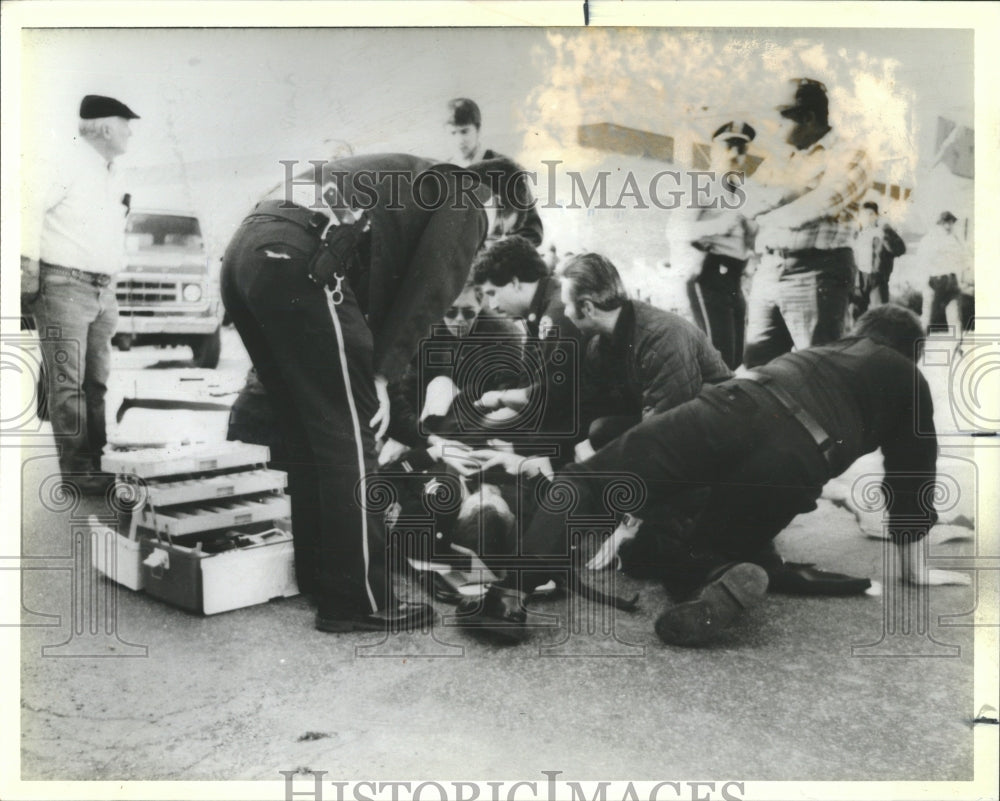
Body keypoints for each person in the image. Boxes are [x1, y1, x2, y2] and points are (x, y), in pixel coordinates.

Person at [458, 305, 969, 645]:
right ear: (913, 350)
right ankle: (711, 577)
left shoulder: (820, 352)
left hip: (735, 403)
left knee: (587, 482)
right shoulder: (908, 377)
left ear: (862, 330)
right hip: (798, 462)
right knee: (708, 548)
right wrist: (915, 569)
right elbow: (912, 480)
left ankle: (508, 598)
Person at [220, 154, 501, 633]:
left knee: (309, 428)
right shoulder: (469, 194)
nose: (485, 240)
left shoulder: (409, 180)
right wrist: (382, 377)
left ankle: (319, 574)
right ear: (502, 203)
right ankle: (357, 600)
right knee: (350, 434)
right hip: (303, 254)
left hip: (247, 252)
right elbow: (431, 287)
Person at [22, 94, 139, 493]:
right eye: (126, 125)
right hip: (64, 286)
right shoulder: (65, 163)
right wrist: (28, 271)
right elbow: (26, 210)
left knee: (96, 382)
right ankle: (77, 472)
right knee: (68, 384)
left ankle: (97, 462)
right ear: (106, 128)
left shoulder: (111, 174)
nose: (130, 133)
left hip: (102, 290)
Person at [743, 78, 872, 368]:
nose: (774, 126)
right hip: (769, 269)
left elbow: (822, 203)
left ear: (809, 118)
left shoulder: (850, 153)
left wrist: (772, 206)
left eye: (782, 117)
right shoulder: (781, 156)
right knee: (757, 369)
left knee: (818, 371)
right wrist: (802, 187)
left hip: (817, 272)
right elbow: (750, 201)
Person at [560, 252, 732, 454]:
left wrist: (592, 466)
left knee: (602, 435)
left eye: (566, 305)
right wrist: (555, 455)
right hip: (676, 420)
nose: (565, 313)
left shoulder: (662, 338)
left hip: (718, 428)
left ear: (588, 308)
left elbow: (665, 430)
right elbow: (588, 409)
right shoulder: (600, 344)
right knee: (600, 430)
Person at [471, 236, 587, 466]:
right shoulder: (542, 308)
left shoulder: (554, 315)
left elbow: (554, 399)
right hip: (565, 419)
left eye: (493, 293)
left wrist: (501, 399)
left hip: (579, 427)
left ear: (515, 282)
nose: (492, 305)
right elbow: (530, 382)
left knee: (486, 435)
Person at [667, 121, 758, 369]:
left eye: (741, 149)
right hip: (709, 275)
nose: (735, 154)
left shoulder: (742, 190)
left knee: (737, 357)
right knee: (717, 356)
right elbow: (676, 230)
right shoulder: (700, 184)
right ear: (715, 149)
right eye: (729, 146)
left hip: (735, 278)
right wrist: (720, 226)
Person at [445, 98, 544, 246]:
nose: (460, 139)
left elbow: (533, 231)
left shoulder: (506, 170)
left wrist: (497, 249)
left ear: (478, 129)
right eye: (453, 133)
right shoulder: (445, 173)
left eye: (465, 131)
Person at [916, 211, 972, 334]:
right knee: (927, 319)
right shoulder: (929, 240)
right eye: (945, 223)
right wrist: (924, 283)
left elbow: (965, 260)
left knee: (956, 320)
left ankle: (958, 351)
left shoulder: (956, 240)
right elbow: (921, 262)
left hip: (951, 282)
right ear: (939, 224)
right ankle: (918, 350)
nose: (948, 226)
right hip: (934, 282)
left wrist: (963, 277)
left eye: (951, 223)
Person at [851, 201, 906, 316]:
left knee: (881, 312)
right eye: (864, 214)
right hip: (859, 279)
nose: (867, 217)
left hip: (878, 279)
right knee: (857, 314)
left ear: (877, 216)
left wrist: (886, 232)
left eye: (871, 214)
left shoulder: (882, 232)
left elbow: (900, 250)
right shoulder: (856, 234)